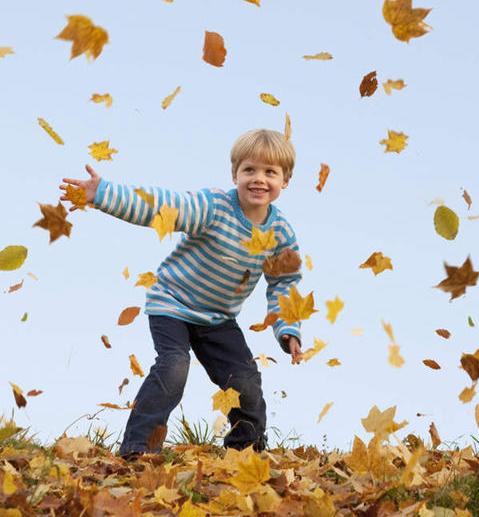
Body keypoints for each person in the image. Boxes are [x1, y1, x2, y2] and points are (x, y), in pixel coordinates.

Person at [59, 128, 304, 458]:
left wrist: (288, 329)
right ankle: (138, 448)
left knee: (245, 380)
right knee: (174, 367)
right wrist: (103, 194)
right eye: (249, 170)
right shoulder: (214, 207)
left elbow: (284, 285)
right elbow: (163, 207)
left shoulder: (280, 234)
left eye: (270, 172)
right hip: (172, 304)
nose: (258, 179)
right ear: (235, 174)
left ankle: (245, 451)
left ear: (285, 180)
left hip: (218, 319)